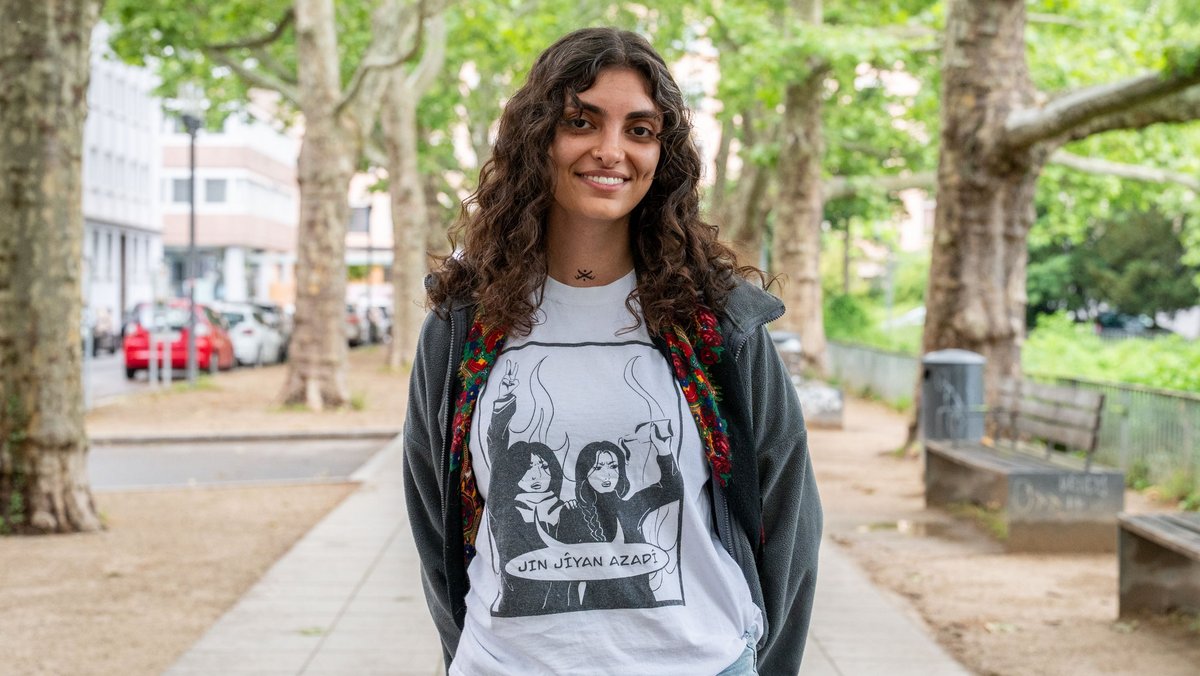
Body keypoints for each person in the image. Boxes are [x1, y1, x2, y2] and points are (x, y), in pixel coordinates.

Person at [403, 26, 821, 676]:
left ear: (663, 154)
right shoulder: (466, 325)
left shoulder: (714, 324)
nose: (610, 150)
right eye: (581, 121)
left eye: (640, 130)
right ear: (538, 137)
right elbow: (435, 519)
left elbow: (788, 517)